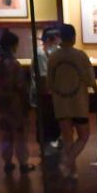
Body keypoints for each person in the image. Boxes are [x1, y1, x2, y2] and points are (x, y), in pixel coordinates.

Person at [47, 23, 97, 179]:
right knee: (84, 136)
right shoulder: (80, 55)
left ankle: (72, 171)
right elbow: (90, 78)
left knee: (67, 138)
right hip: (78, 102)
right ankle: (67, 163)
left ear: (60, 37)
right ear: (74, 37)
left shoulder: (53, 57)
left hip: (60, 102)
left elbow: (49, 82)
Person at [0, 29, 35, 174]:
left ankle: (7, 162)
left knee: (6, 134)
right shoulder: (14, 64)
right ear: (12, 46)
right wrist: (27, 104)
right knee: (20, 134)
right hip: (15, 103)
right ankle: (23, 163)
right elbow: (20, 86)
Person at [36, 26, 63, 155]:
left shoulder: (54, 51)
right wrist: (47, 93)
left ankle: (54, 142)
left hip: (53, 92)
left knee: (54, 119)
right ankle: (46, 146)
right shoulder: (41, 54)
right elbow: (43, 77)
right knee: (46, 119)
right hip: (45, 93)